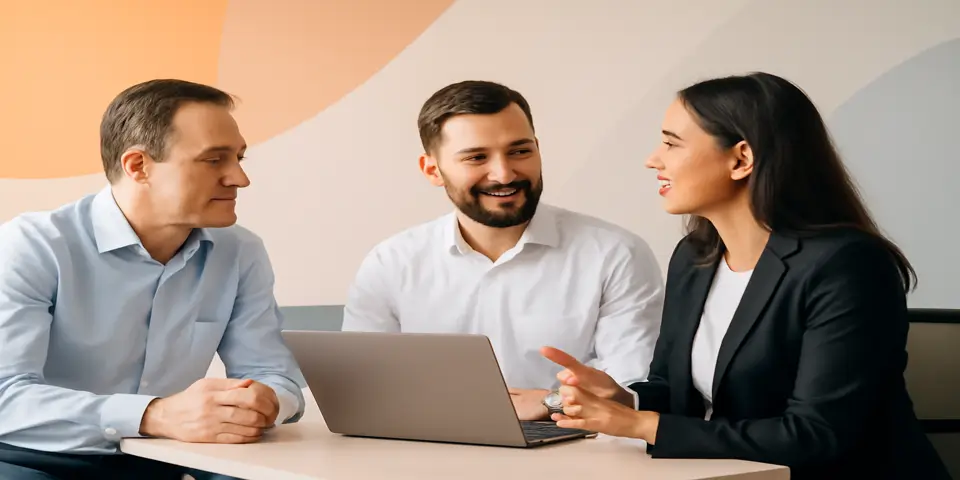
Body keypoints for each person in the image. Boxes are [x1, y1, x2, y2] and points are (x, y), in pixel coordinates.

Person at [538, 72, 950, 479]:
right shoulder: (694, 257)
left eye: (671, 143)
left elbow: (817, 434)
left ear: (741, 159)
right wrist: (621, 398)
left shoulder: (848, 266)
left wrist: (640, 425)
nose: (653, 159)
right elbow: (677, 391)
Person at [0, 79, 306, 480]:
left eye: (239, 158)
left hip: (170, 456)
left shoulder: (240, 252)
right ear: (138, 166)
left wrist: (266, 402)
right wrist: (154, 414)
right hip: (35, 457)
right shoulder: (32, 245)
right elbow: (6, 397)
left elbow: (275, 375)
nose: (239, 179)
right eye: (214, 160)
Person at [340, 80, 664, 421]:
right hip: (431, 449)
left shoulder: (615, 253)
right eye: (477, 157)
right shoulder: (390, 263)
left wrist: (551, 402)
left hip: (575, 450)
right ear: (433, 170)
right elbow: (361, 387)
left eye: (520, 151)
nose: (504, 173)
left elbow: (632, 390)